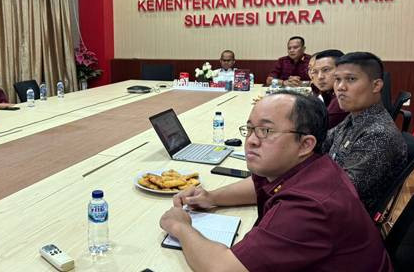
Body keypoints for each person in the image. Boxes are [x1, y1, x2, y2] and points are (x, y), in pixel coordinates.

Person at [159, 91, 392, 272]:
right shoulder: (309, 166)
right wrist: (211, 197)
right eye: (250, 129)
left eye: (266, 131)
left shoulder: (309, 207)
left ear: (305, 144)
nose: (250, 141)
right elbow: (258, 184)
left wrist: (180, 227)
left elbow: (224, 268)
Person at [323, 52, 407, 214]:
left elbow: (339, 193)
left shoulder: (378, 134)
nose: (340, 87)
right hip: (329, 203)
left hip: (343, 220)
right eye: (337, 79)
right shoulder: (355, 117)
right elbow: (322, 144)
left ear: (376, 86)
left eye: (351, 79)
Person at [312, 49, 348, 129]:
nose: (320, 77)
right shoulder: (328, 92)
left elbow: (318, 130)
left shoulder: (342, 98)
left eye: (326, 70)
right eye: (315, 72)